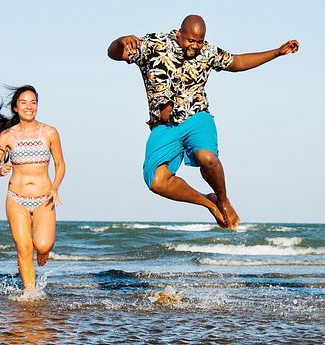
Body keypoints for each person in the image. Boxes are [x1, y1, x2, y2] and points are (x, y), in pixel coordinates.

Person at [108, 14, 299, 229]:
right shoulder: (154, 44)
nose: (196, 46)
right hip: (164, 126)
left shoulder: (207, 51)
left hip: (196, 117)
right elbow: (114, 53)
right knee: (156, 182)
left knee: (206, 157)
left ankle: (224, 200)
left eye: (199, 41)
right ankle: (209, 202)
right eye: (191, 41)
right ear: (179, 34)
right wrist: (120, 41)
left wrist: (276, 52)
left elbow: (238, 62)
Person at [0, 85, 66, 293]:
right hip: (16, 198)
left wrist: (55, 186)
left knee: (42, 245)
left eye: (33, 102)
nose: (29, 106)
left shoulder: (49, 132)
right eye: (24, 102)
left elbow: (60, 164)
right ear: (15, 108)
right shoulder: (7, 136)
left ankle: (43, 251)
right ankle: (30, 293)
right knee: (23, 248)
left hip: (44, 198)